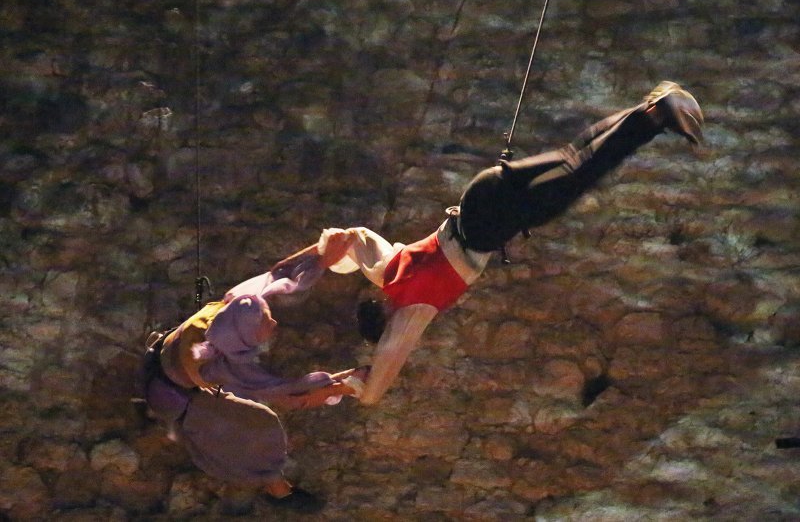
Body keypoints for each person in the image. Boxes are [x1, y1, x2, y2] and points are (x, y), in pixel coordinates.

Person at [314, 81, 704, 405]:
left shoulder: (411, 311)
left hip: (492, 222)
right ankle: (653, 107)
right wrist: (321, 258)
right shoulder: (386, 269)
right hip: (480, 194)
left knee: (582, 170)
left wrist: (355, 386)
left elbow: (383, 374)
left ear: (387, 323)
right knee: (573, 158)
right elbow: (353, 238)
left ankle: (657, 114)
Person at [140, 232, 367, 511]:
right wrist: (345, 385)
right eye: (265, 324)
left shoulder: (237, 304)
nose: (273, 323)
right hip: (174, 394)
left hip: (172, 359)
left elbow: (277, 276)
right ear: (243, 337)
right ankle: (277, 489)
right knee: (259, 425)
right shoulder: (220, 368)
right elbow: (288, 395)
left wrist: (323, 255)